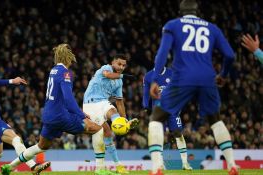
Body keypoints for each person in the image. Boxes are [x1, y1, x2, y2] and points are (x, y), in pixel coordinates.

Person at [148, 0, 238, 175]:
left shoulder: (172, 25)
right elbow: (230, 55)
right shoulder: (212, 28)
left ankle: (157, 167)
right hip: (208, 77)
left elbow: (162, 53)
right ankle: (233, 165)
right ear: (197, 12)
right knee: (215, 120)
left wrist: (154, 79)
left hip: (182, 76)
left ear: (181, 11)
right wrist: (223, 75)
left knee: (157, 118)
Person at [0, 44, 103, 175]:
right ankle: (101, 170)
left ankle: (9, 167)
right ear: (68, 57)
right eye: (71, 58)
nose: (72, 61)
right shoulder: (66, 73)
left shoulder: (53, 70)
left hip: (48, 115)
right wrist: (81, 115)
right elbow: (68, 99)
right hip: (61, 116)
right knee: (98, 129)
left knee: (42, 146)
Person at [83, 54, 139, 175]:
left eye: (124, 65)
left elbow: (119, 102)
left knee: (114, 112)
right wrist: (123, 75)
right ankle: (101, 167)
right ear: (113, 62)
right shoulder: (105, 68)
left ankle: (118, 166)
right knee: (105, 132)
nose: (121, 67)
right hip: (90, 104)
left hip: (103, 102)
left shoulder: (119, 81)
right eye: (119, 64)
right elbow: (108, 75)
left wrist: (125, 121)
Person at [143, 67, 192, 170]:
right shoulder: (148, 75)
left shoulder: (172, 73)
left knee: (178, 133)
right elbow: (146, 93)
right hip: (158, 111)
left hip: (172, 109)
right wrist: (146, 107)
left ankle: (185, 163)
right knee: (158, 136)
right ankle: (160, 164)